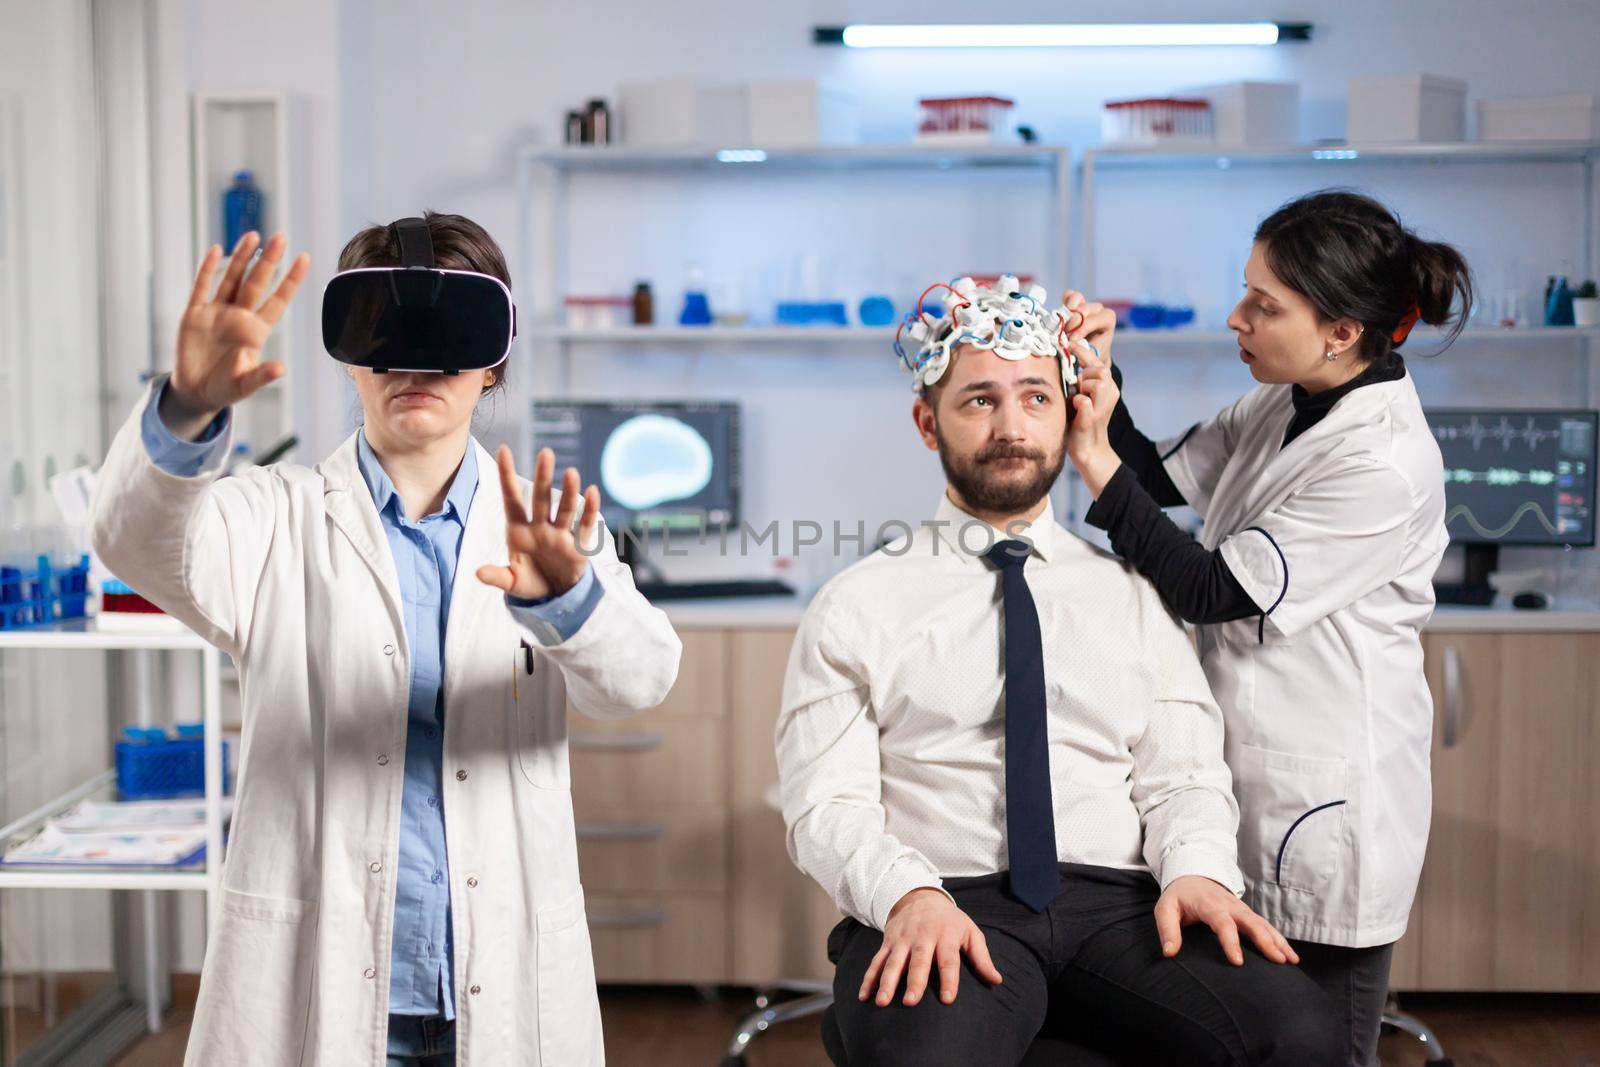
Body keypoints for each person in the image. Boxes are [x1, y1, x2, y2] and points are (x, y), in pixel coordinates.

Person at [89, 214, 682, 1066]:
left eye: (449, 333)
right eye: (385, 333)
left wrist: (568, 599)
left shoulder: (549, 531)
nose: (415, 363)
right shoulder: (273, 518)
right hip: (316, 981)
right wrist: (187, 408)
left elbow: (643, 677)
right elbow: (132, 538)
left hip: (502, 976)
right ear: (349, 351)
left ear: (495, 356)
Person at [776, 278, 1342, 1066]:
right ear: (926, 422)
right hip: (946, 897)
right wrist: (907, 894)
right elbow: (825, 804)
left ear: (1069, 411)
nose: (1012, 426)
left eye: (1035, 397)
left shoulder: (1133, 591)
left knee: (1303, 1039)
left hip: (1124, 906)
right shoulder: (855, 603)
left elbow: (1182, 777)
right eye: (979, 400)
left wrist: (1201, 870)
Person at [1062, 190, 1468, 1066]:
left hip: (1325, 802)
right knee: (1234, 1038)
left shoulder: (1383, 461)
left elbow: (1210, 587)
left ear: (1342, 331)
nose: (1235, 318)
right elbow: (1156, 478)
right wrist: (1099, 378)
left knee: (1321, 1049)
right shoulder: (1287, 399)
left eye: (1264, 305)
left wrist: (1091, 463)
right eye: (1245, 291)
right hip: (1240, 772)